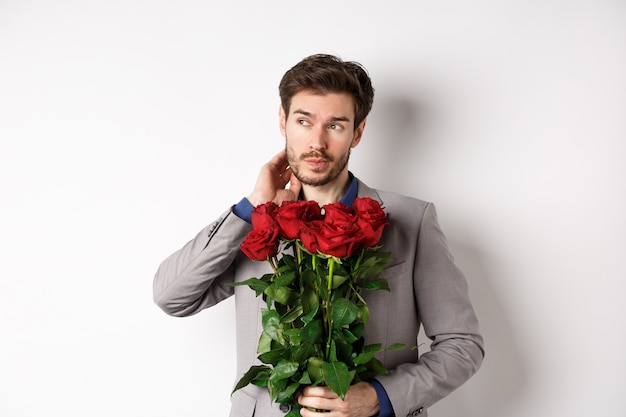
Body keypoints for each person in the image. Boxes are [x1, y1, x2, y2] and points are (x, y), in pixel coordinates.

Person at [153, 54, 484, 417]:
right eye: (303, 121)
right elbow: (173, 297)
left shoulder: (412, 220)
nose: (317, 142)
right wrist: (251, 207)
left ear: (357, 132)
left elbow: (462, 345)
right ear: (283, 120)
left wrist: (379, 397)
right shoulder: (253, 225)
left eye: (336, 126)